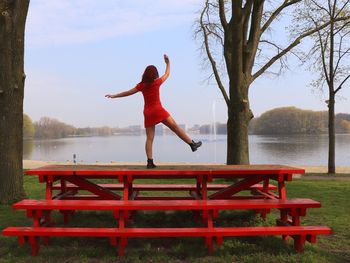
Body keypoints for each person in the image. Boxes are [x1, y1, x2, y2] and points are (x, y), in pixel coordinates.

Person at [105, 54, 202, 168]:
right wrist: (168, 63)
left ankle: (150, 162)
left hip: (148, 112)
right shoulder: (157, 82)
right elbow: (167, 74)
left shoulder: (141, 86)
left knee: (150, 138)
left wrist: (114, 96)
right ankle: (192, 144)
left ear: (145, 74)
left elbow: (128, 92)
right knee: (175, 127)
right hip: (158, 110)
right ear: (155, 74)